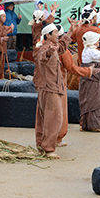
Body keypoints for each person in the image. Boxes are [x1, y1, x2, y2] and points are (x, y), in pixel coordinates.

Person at [33, 24, 66, 158]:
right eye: (56, 32)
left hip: (50, 87)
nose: (58, 34)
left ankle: (42, 146)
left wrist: (74, 29)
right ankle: (48, 149)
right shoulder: (44, 48)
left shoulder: (53, 46)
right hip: (50, 88)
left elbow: (62, 48)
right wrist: (49, 52)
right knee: (54, 119)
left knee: (45, 119)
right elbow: (42, 57)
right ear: (48, 35)